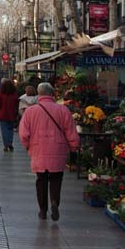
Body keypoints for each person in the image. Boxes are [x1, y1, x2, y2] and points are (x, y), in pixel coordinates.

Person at [19, 82, 79, 222]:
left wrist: (28, 145)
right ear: (52, 94)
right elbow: (71, 131)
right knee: (56, 179)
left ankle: (42, 209)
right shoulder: (63, 110)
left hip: (38, 149)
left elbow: (23, 133)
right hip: (58, 149)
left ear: (39, 94)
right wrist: (74, 146)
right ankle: (54, 202)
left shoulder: (30, 111)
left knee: (41, 180)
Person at [0, 79, 20, 151]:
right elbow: (17, 104)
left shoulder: (2, 94)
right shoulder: (14, 95)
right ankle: (10, 143)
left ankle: (6, 145)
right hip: (12, 114)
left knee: (4, 130)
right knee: (10, 129)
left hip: (3, 114)